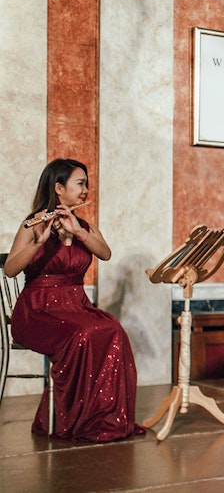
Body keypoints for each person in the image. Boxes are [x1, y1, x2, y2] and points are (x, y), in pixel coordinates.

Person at [3, 158, 144, 442]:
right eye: (80, 184)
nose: (85, 190)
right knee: (83, 334)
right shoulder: (33, 225)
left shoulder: (84, 227)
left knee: (113, 330)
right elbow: (10, 269)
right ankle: (70, 419)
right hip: (38, 310)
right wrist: (39, 242)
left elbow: (105, 253)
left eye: (86, 184)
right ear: (58, 188)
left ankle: (102, 417)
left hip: (76, 306)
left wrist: (78, 231)